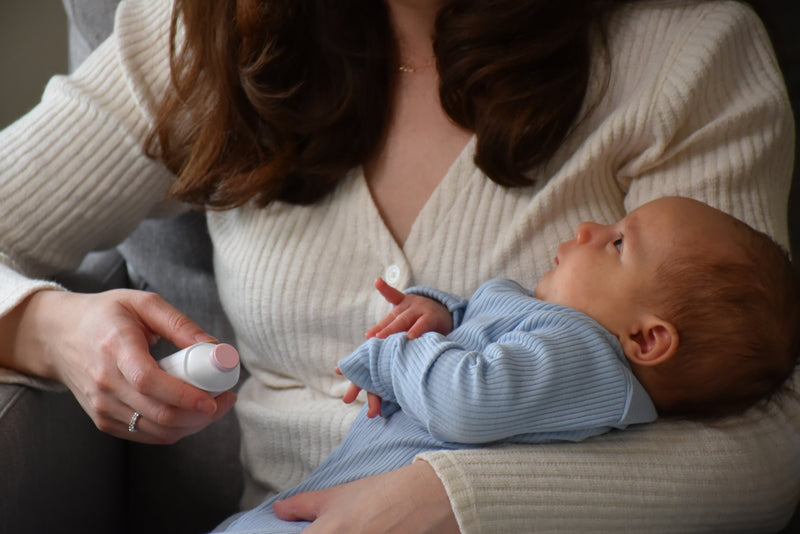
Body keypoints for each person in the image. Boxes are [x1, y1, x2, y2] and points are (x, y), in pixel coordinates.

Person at [0, 0, 796, 532]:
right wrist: (49, 327)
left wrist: (452, 504)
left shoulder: (685, 54)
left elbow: (771, 437)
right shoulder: (206, 30)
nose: (593, 235)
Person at [217, 196, 799, 532]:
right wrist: (438, 315)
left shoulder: (585, 357)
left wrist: (397, 354)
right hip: (328, 504)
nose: (590, 228)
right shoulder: (557, 335)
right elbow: (475, 338)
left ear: (647, 341)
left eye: (618, 244)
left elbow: (465, 399)